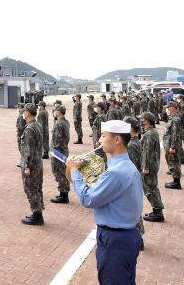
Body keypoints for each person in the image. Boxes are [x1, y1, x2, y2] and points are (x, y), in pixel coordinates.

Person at [67, 120, 143, 284]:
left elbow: (88, 199)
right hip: (124, 237)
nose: (99, 140)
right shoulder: (126, 167)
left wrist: (74, 171)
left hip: (115, 239)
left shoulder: (115, 172)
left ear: (117, 140)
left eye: (103, 136)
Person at [19, 103, 44, 225]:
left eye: (24, 111)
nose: (23, 113)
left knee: (31, 189)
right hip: (38, 163)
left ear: (28, 113)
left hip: (31, 165)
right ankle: (38, 212)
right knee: (37, 188)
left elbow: (27, 149)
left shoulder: (29, 129)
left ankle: (37, 215)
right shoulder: (37, 125)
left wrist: (27, 166)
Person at [124, 117, 145, 249]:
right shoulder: (136, 141)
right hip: (136, 179)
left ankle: (138, 239)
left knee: (133, 209)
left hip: (131, 181)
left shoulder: (131, 145)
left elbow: (129, 167)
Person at [50, 105, 70, 204]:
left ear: (59, 112)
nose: (54, 111)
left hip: (58, 151)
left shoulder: (58, 123)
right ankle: (64, 193)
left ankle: (63, 195)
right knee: (63, 172)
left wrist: (54, 153)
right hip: (64, 150)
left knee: (59, 172)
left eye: (55, 110)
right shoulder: (65, 121)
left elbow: (56, 141)